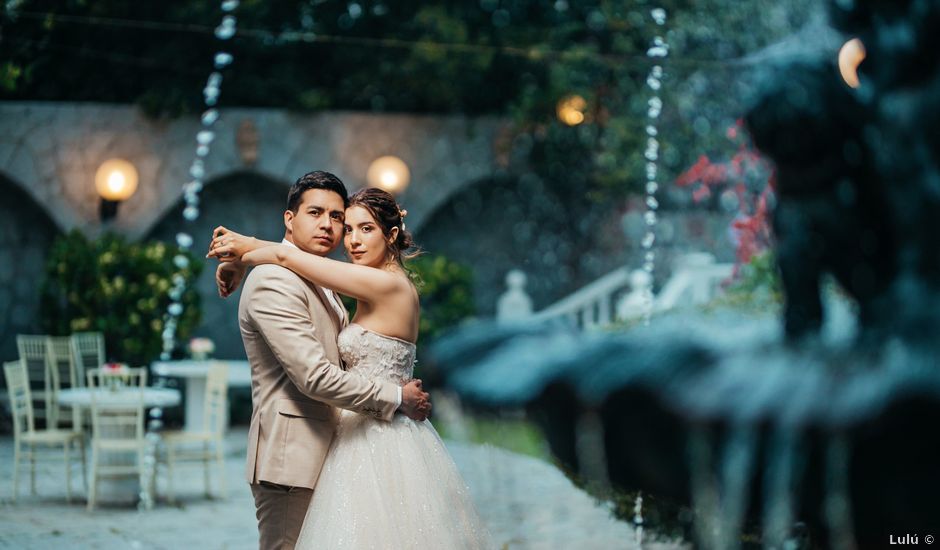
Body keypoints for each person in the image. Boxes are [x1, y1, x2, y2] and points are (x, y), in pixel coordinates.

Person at [208, 185, 492, 549]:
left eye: (366, 228)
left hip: (382, 438)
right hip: (355, 433)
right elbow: (296, 256)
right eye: (350, 228)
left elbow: (289, 257)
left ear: (392, 235)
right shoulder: (359, 280)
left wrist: (243, 251)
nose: (353, 240)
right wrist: (239, 259)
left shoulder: (386, 285)